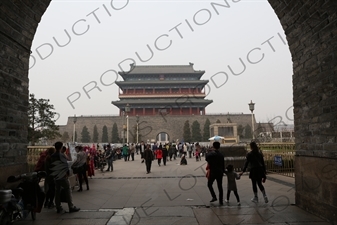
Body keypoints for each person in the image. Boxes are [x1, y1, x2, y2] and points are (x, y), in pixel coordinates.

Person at [49, 141, 80, 213]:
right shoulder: (61, 155)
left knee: (57, 191)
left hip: (56, 175)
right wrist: (67, 173)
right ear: (61, 147)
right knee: (68, 190)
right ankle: (71, 206)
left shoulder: (52, 156)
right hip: (62, 175)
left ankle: (58, 207)